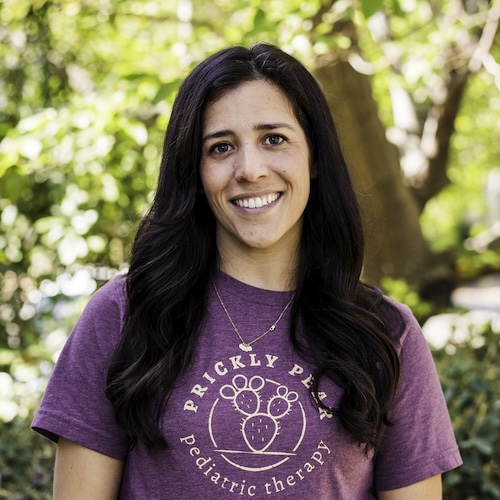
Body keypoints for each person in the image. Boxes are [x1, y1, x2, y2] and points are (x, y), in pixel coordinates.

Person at [32, 43, 462, 499]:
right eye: (221, 148)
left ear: (315, 157)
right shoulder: (124, 314)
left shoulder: (385, 333)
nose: (250, 170)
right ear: (195, 170)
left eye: (273, 139)